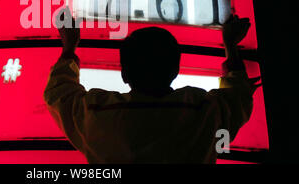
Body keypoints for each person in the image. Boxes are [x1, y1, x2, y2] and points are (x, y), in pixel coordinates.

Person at [43, 8, 260, 163]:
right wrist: (231, 45)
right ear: (175, 70)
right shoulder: (205, 112)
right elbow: (238, 95)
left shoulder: (97, 115)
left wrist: (69, 46)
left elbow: (59, 93)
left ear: (124, 73)